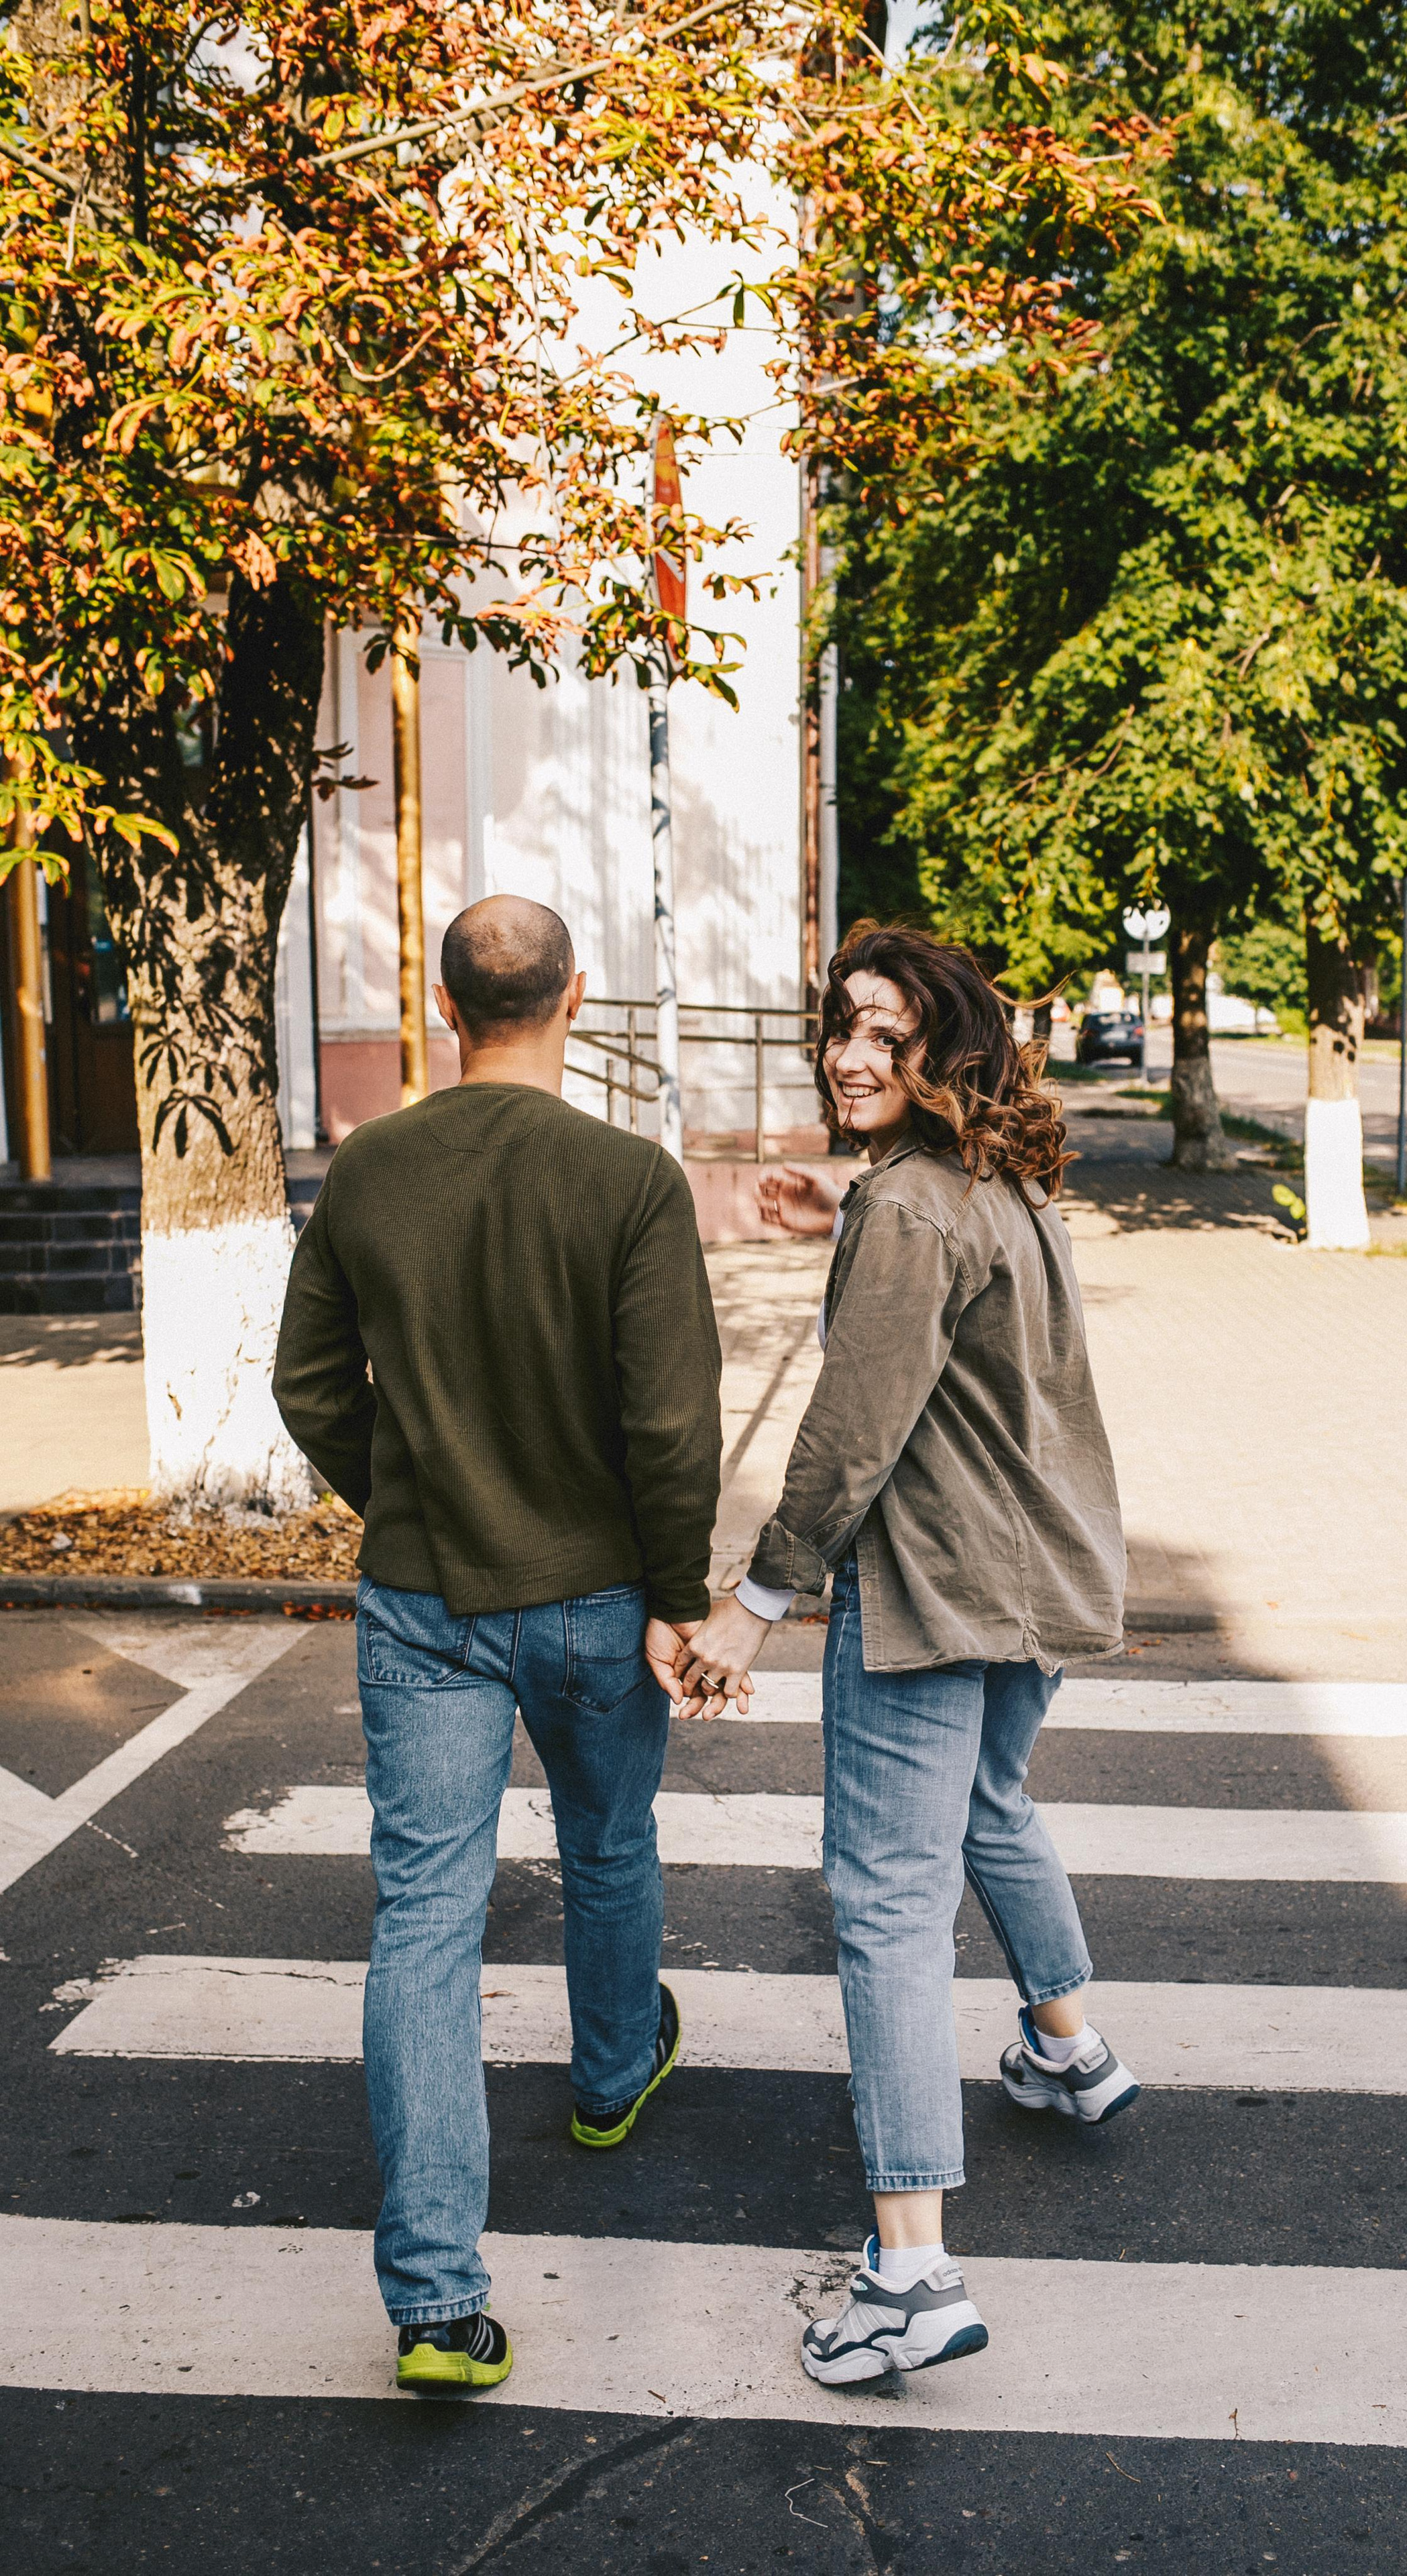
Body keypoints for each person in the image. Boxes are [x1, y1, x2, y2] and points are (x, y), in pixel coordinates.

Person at [273, 894, 723, 2398]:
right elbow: (669, 1423)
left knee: (422, 1923)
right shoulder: (628, 1179)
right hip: (598, 1591)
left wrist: (402, 1491)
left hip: (421, 1594)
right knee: (606, 1843)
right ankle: (608, 2080)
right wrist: (678, 1591)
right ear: (575, 1000)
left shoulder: (370, 1169)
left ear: (444, 1003)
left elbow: (309, 1383)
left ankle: (437, 2305)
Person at [676, 921, 1137, 2387]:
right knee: (989, 1809)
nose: (851, 1055)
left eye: (888, 1036)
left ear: (950, 1051)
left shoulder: (910, 1211)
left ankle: (911, 2271)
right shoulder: (992, 1187)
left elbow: (850, 1432)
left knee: (882, 1898)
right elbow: (939, 1308)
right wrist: (845, 1213)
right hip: (1035, 1573)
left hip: (931, 1589)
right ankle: (1069, 2048)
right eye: (841, 1028)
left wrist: (754, 1600)